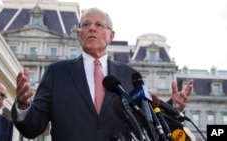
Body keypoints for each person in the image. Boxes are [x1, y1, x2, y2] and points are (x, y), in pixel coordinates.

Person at [11, 7, 193, 141]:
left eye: (99, 25)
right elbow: (32, 128)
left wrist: (173, 108)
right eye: (86, 25)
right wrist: (23, 105)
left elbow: (146, 124)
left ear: (111, 35)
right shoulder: (56, 72)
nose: (92, 28)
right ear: (78, 34)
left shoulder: (130, 75)